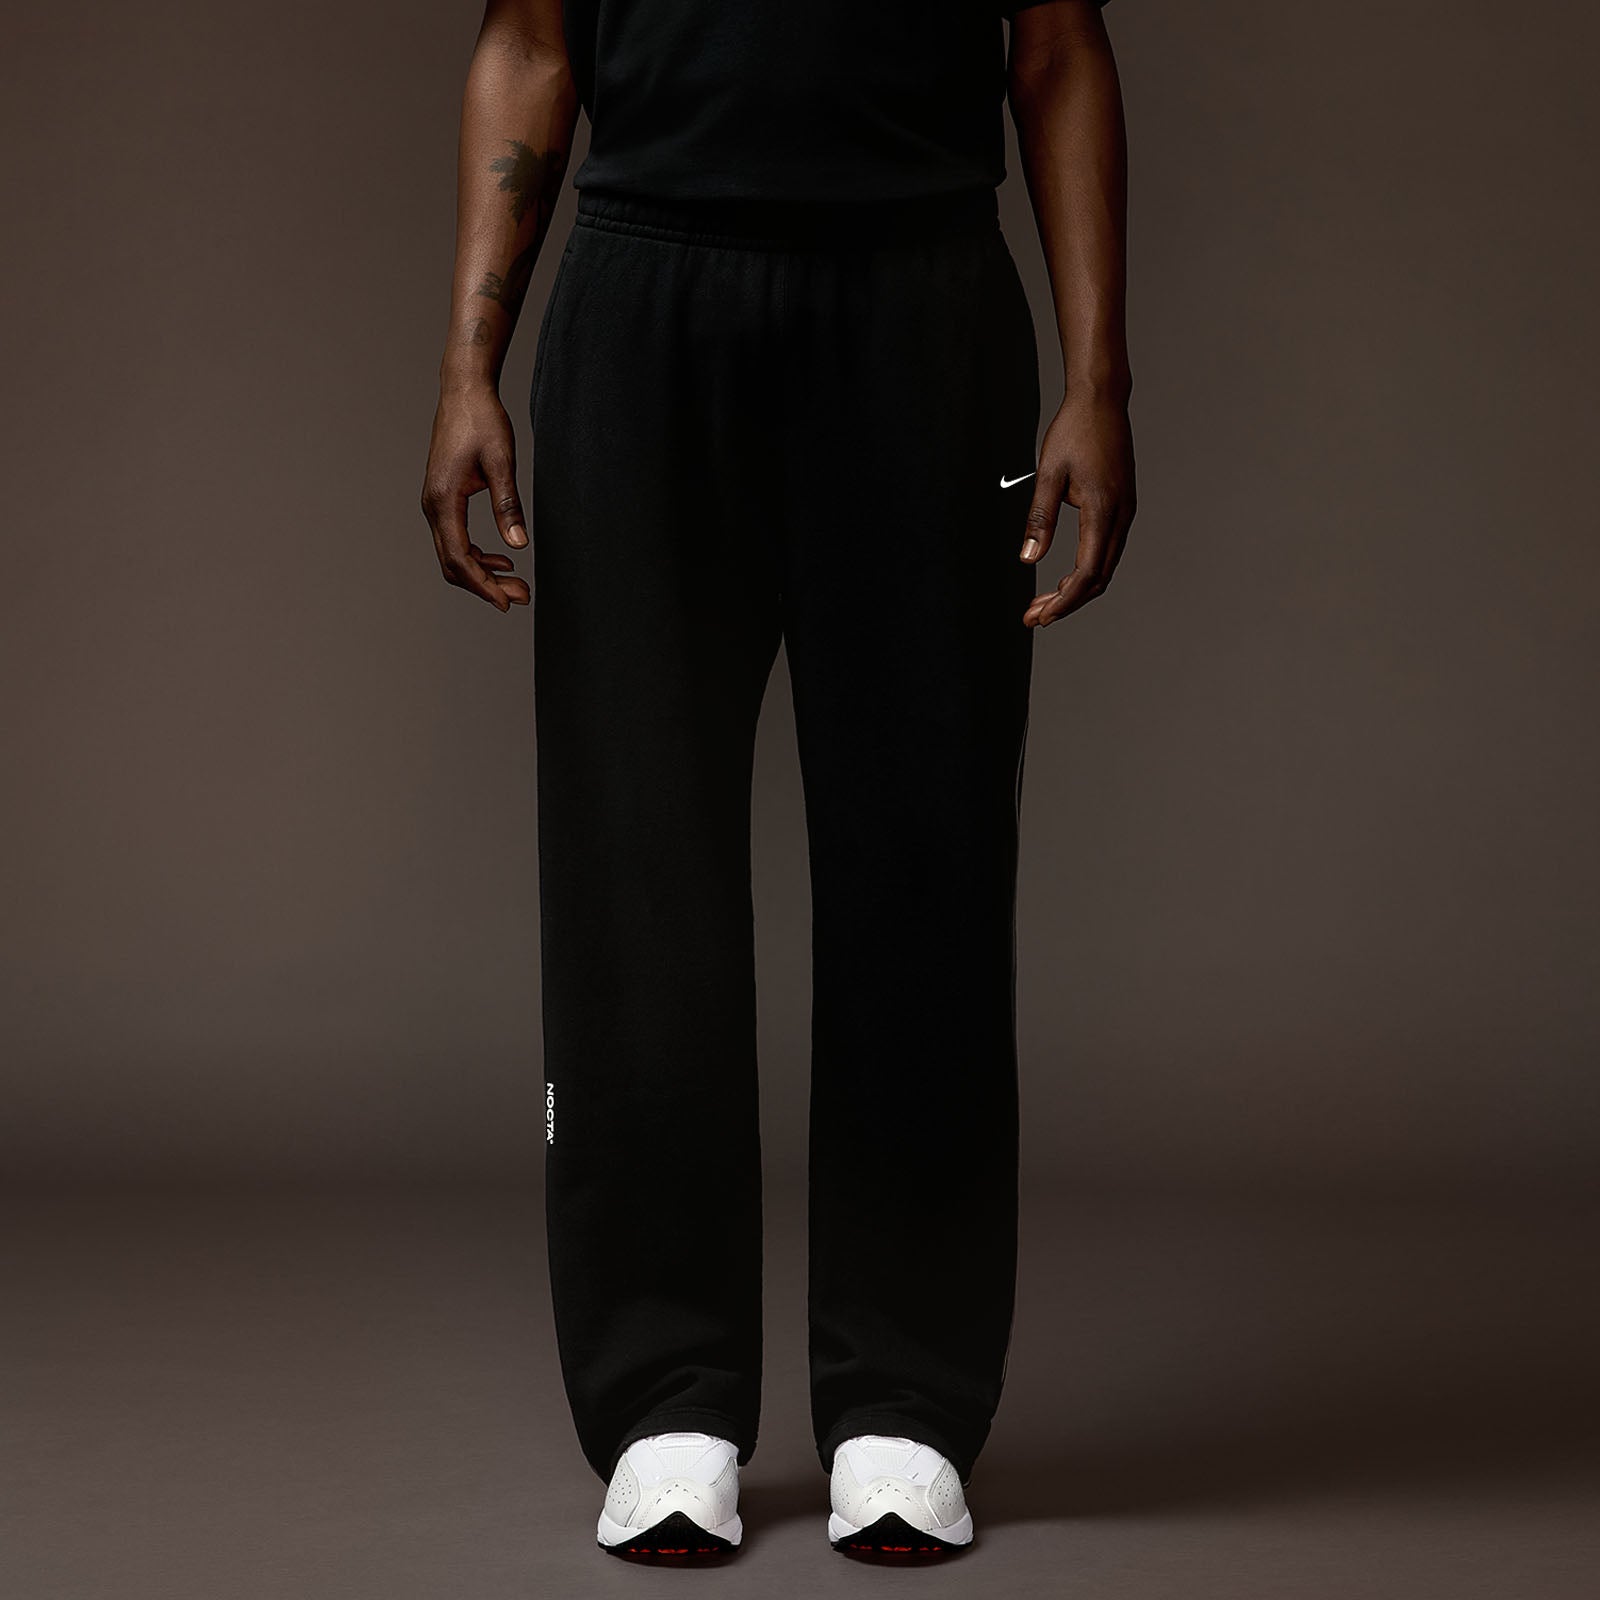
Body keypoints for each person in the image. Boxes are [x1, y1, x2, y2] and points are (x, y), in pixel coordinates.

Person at [420, 0, 1134, 1562]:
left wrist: (1101, 377)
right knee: (636, 867)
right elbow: (529, 43)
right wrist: (470, 362)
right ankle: (666, 1402)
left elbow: (1058, 46)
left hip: (923, 303)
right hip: (645, 303)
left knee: (925, 856)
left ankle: (905, 1402)